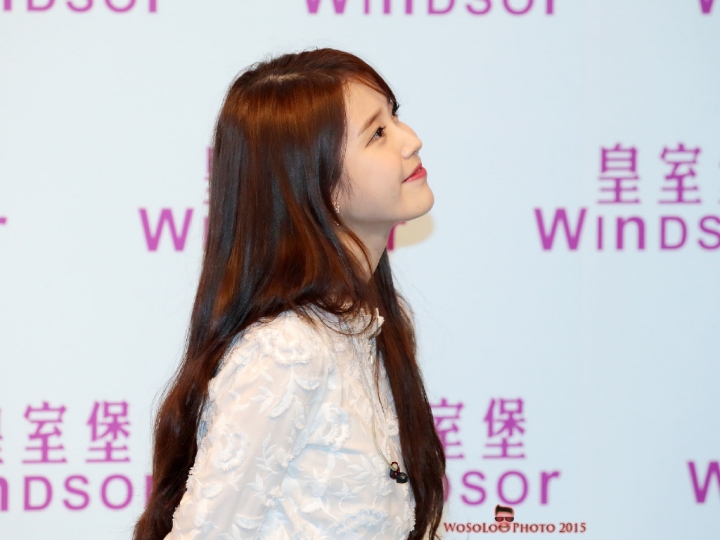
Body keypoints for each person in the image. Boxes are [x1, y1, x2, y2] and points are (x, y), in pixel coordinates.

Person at [133, 48, 445, 540]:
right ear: (312, 181)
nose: (411, 140)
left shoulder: (374, 326)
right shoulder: (286, 349)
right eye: (377, 133)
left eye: (395, 116)